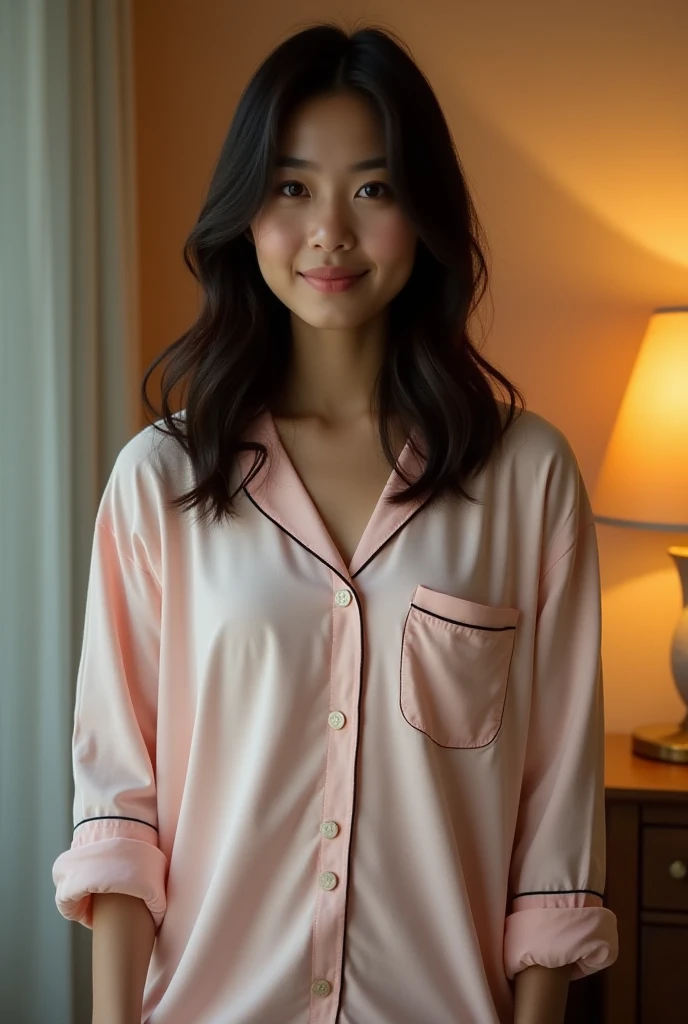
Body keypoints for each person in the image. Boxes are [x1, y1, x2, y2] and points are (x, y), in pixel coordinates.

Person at [52, 20, 619, 1024]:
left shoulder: (527, 480)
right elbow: (118, 817)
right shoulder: (160, 482)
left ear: (424, 212)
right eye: (290, 187)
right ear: (246, 212)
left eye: (372, 188)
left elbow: (555, 830)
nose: (330, 234)